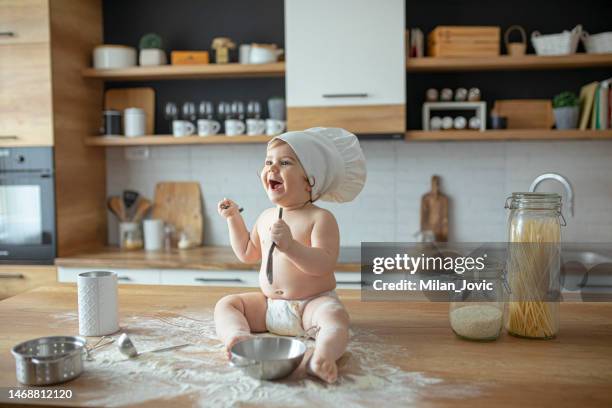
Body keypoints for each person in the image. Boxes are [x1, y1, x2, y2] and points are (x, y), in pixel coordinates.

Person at [214, 127, 366, 383]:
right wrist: (233, 219)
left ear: (311, 180)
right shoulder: (266, 217)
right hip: (269, 306)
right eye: (268, 162)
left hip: (311, 304)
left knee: (335, 319)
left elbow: (324, 264)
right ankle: (238, 339)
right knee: (227, 304)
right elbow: (247, 253)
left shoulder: (321, 218)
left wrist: (291, 247)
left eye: (284, 162)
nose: (272, 168)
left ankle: (323, 356)